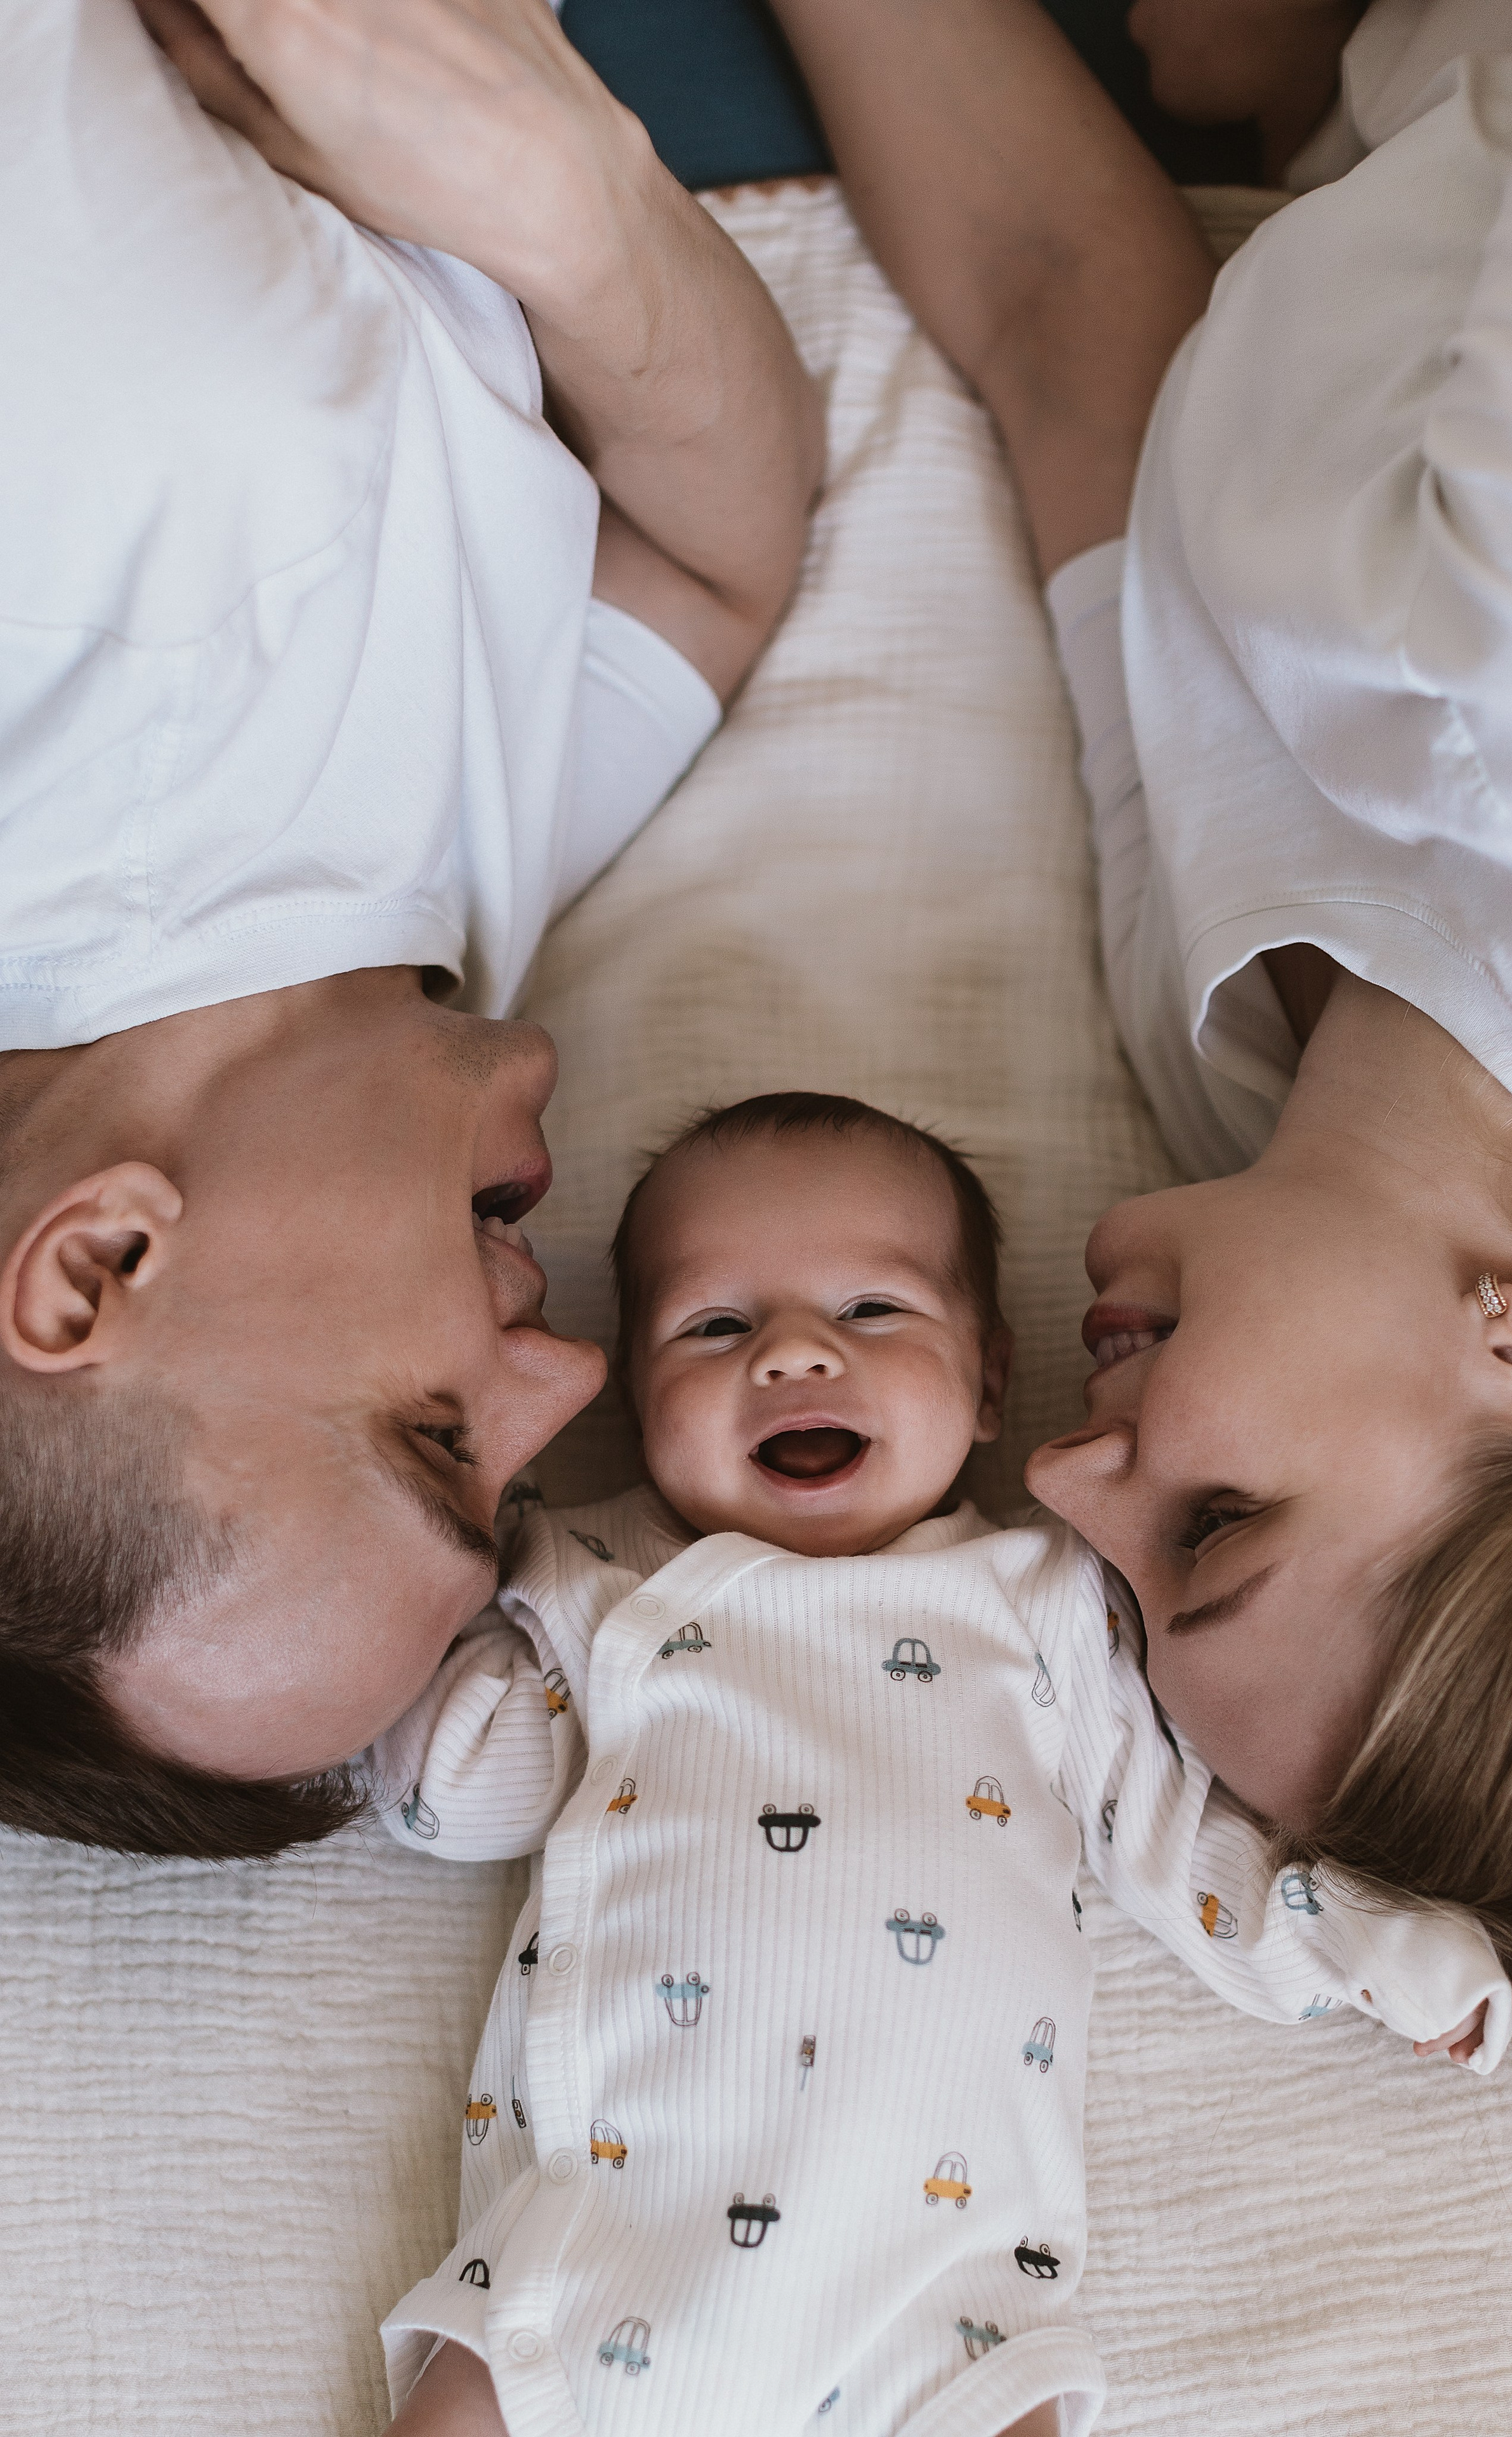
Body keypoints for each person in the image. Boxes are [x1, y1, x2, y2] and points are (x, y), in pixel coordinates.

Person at [747, 0, 1512, 2009]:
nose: (1063, 1480)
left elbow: (1073, 321)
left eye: (1130, 1604)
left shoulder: (1234, 1060)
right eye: (1214, 1525)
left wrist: (1352, 104)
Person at [358, 1095, 1506, 2437]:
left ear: (986, 1382)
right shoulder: (595, 1579)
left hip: (939, 2280)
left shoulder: (1041, 1605)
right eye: (715, 1325)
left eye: (871, 1312)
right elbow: (458, 1797)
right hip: (610, 2223)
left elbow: (1175, 1835)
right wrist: (452, 1576)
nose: (792, 1353)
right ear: (634, 1384)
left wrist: (1368, 1948)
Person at [0, 0, 822, 1856]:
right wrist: (570, 198)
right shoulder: (421, 961)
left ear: (98, 1266)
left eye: (440, 1438)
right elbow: (722, 557)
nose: (575, 1376)